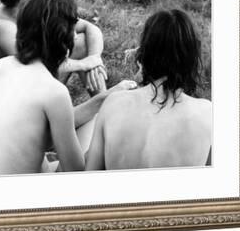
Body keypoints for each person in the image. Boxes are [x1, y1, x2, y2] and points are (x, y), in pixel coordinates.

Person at [0, 0, 136, 175]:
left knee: (93, 116)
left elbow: (36, 132)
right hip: (29, 200)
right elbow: (75, 171)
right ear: (64, 35)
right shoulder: (54, 91)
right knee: (100, 124)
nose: (74, 35)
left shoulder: (2, 67)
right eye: (73, 29)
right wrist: (105, 132)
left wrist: (104, 98)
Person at [85, 9, 212, 171]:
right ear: (191, 58)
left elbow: (91, 175)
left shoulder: (113, 104)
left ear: (145, 52)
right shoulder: (207, 113)